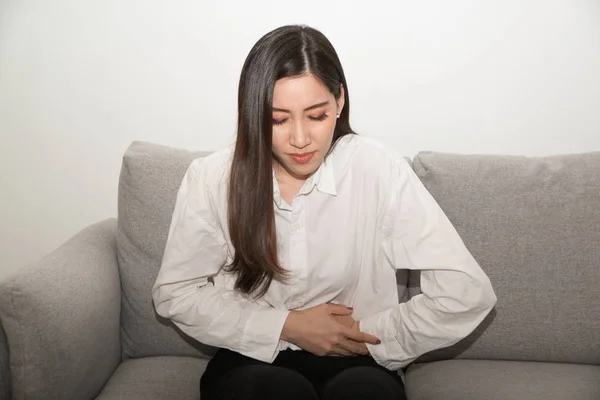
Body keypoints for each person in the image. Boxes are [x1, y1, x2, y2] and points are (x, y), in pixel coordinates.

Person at [152, 24, 497, 400]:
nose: (300, 139)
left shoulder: (376, 168)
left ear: (340, 102)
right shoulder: (213, 178)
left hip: (357, 359)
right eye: (278, 120)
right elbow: (177, 294)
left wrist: (370, 333)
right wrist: (288, 325)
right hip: (250, 356)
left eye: (316, 115)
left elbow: (466, 293)